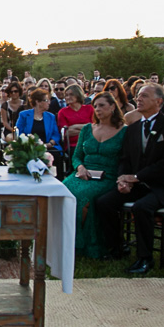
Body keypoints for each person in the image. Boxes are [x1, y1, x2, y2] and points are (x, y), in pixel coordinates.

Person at [91, 83, 164, 274]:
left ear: (158, 101)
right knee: (104, 202)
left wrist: (135, 177)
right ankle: (117, 246)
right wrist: (122, 180)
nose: (138, 99)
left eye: (144, 96)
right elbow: (125, 159)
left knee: (141, 207)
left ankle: (145, 258)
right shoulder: (133, 128)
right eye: (138, 96)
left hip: (163, 186)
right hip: (137, 185)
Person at [63, 93, 127, 258]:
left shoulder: (124, 131)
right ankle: (64, 239)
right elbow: (77, 156)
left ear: (113, 107)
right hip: (84, 173)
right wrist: (80, 167)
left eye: (102, 105)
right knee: (62, 190)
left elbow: (126, 159)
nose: (97, 109)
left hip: (108, 176)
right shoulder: (87, 129)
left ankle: (83, 243)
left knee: (83, 197)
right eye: (95, 106)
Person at [16, 89, 63, 174]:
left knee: (55, 155)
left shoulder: (51, 116)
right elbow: (19, 132)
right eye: (46, 100)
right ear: (37, 102)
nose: (49, 103)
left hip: (48, 146)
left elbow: (56, 134)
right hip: (30, 147)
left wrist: (50, 143)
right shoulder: (24, 115)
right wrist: (29, 143)